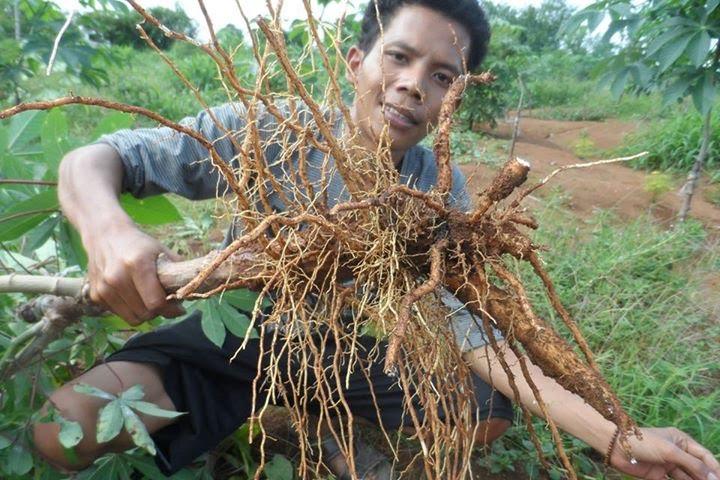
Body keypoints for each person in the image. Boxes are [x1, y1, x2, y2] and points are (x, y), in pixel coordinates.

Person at [32, 1, 720, 479]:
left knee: (482, 412)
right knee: (58, 432)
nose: (414, 85)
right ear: (358, 60)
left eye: (443, 77)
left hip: (355, 348)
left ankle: (322, 422)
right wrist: (107, 229)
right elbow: (99, 158)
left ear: (456, 99)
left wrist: (612, 437)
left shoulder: (433, 193)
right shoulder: (271, 128)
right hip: (237, 333)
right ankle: (267, 405)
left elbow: (471, 331)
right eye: (399, 57)